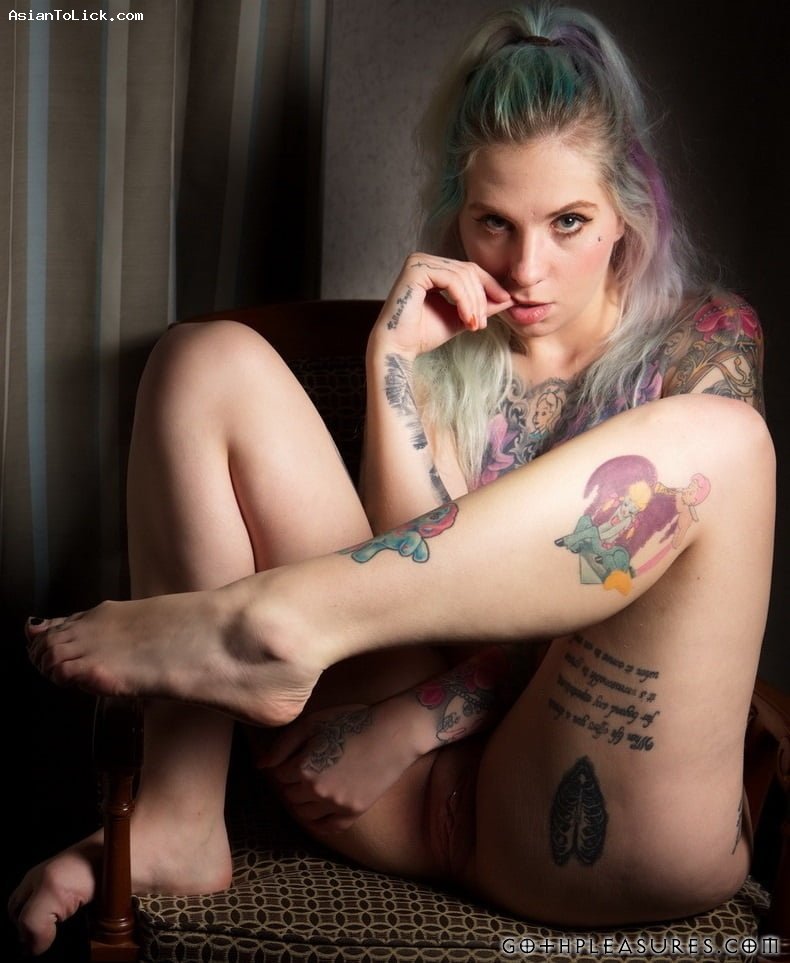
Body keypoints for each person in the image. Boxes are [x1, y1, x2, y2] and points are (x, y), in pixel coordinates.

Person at [9, 1, 774, 955]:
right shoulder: (448, 343)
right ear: (459, 209)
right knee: (204, 359)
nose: (526, 268)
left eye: (568, 222)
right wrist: (392, 363)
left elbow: (595, 615)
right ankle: (178, 818)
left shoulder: (704, 342)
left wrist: (413, 720)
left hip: (586, 806)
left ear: (629, 208)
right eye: (493, 222)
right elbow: (426, 596)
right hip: (395, 803)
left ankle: (271, 622)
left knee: (724, 444)